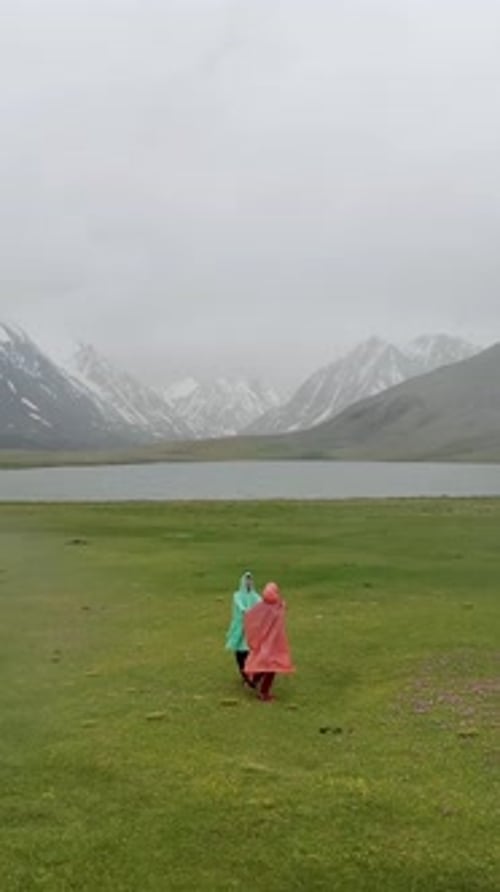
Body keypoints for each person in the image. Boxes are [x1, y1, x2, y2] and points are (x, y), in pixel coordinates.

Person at [244, 581, 295, 701]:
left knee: (264, 664)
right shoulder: (278, 606)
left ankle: (254, 681)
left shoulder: (261, 607)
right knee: (271, 667)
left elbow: (251, 618)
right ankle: (263, 692)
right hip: (274, 643)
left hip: (265, 641)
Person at [225, 571, 261, 686]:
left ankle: (251, 676)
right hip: (240, 627)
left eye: (250, 580)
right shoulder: (237, 595)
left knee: (250, 652)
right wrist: (246, 611)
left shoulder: (255, 596)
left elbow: (261, 603)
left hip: (251, 628)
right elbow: (240, 606)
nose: (249, 582)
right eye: (247, 580)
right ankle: (245, 675)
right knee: (240, 652)